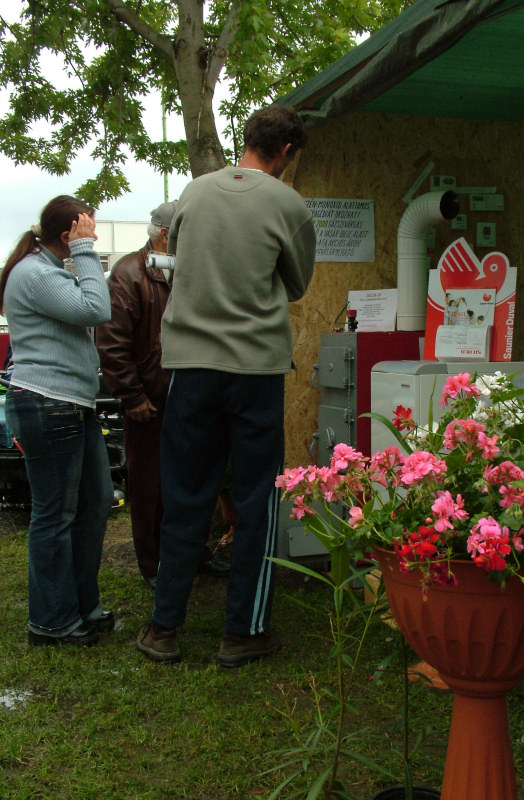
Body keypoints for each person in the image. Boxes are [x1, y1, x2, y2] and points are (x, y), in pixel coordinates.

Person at [136, 105, 316, 666]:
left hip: (191, 366)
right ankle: (243, 632)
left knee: (186, 493)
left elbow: (179, 258)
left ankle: (164, 628)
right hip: (255, 370)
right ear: (286, 151)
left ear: (248, 140)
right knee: (257, 496)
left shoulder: (192, 194)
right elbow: (297, 285)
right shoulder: (288, 204)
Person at [96, 201, 230, 589]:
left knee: (194, 482)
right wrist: (133, 396)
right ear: (167, 234)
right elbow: (112, 343)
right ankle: (154, 565)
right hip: (150, 402)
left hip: (191, 397)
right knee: (149, 488)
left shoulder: (189, 270)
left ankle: (194, 553)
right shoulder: (129, 273)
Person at [0, 195, 114, 646]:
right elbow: (96, 309)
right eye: (87, 230)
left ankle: (81, 605)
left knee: (95, 502)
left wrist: (79, 252)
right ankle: (51, 623)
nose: (93, 237)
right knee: (55, 514)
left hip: (70, 404)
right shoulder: (35, 273)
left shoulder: (47, 270)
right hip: (47, 402)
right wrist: (84, 252)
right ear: (68, 235)